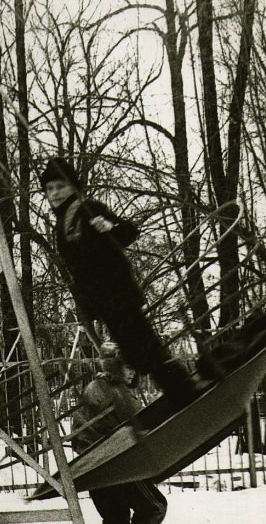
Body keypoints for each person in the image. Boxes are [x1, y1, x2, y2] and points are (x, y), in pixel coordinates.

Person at [41, 157, 210, 404]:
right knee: (135, 349)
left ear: (73, 187)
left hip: (117, 292)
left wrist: (110, 228)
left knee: (143, 344)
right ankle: (176, 388)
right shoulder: (63, 222)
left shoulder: (88, 208)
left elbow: (128, 232)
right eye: (49, 189)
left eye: (60, 186)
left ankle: (183, 388)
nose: (55, 193)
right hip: (104, 299)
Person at [72, 343, 167, 524]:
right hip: (117, 464)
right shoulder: (116, 391)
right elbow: (141, 423)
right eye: (128, 367)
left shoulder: (94, 387)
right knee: (155, 506)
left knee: (116, 520)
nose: (133, 372)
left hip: (94, 466)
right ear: (115, 366)